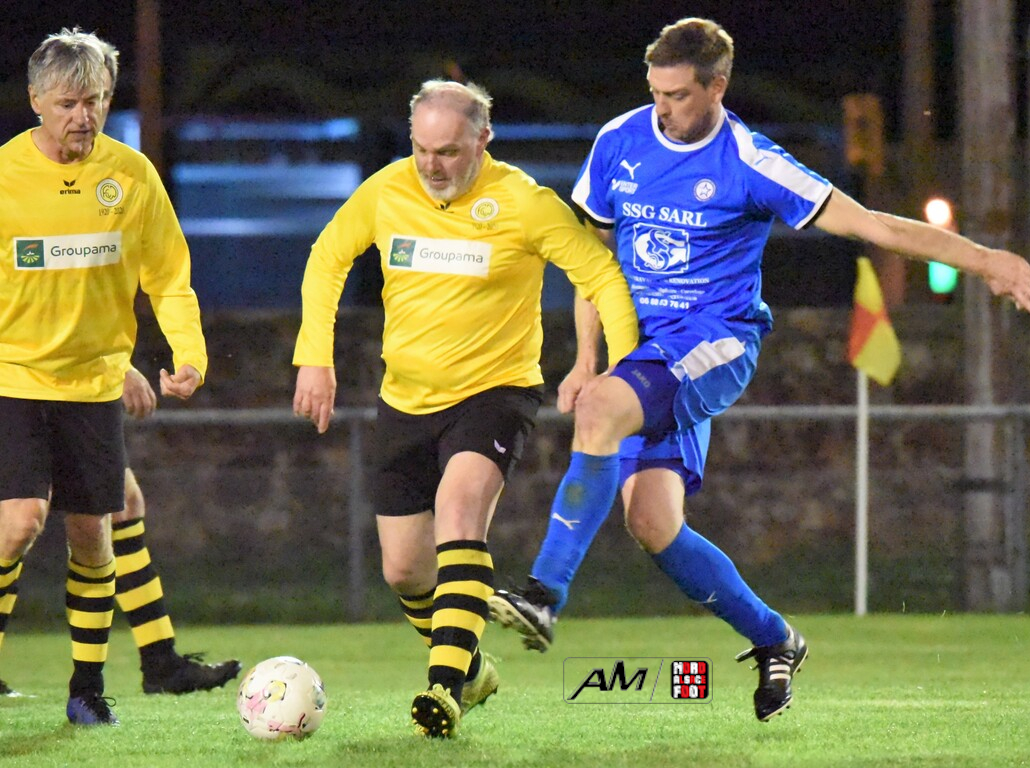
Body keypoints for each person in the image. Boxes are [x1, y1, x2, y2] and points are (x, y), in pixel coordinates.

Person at [488, 16, 1030, 723]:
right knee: (653, 524)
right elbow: (591, 260)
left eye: (678, 95)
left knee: (603, 409)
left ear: (717, 87)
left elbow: (875, 225)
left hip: (716, 342)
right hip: (644, 357)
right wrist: (586, 358)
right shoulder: (620, 140)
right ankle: (775, 638)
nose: (663, 108)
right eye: (656, 92)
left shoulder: (752, 162)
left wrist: (987, 260)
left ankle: (543, 595)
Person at [291, 80, 638, 738]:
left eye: (448, 151)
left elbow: (602, 276)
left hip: (494, 393)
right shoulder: (387, 189)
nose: (431, 165)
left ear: (484, 139)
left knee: (459, 513)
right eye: (421, 149)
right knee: (404, 569)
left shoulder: (525, 203)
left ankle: (443, 691)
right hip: (405, 401)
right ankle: (471, 668)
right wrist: (315, 356)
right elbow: (328, 257)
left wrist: (621, 372)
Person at [0, 29, 207, 726]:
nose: (83, 116)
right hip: (14, 379)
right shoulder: (4, 177)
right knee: (18, 524)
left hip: (91, 388)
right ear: (35, 101)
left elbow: (168, 277)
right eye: (68, 103)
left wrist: (187, 353)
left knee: (94, 537)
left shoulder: (132, 175)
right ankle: (159, 659)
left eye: (96, 100)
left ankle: (86, 690)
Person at [0, 368, 241, 700]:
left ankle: (160, 660)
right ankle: (160, 662)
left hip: (70, 381)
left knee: (123, 505)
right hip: (25, 380)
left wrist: (115, 364)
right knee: (19, 523)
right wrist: (119, 366)